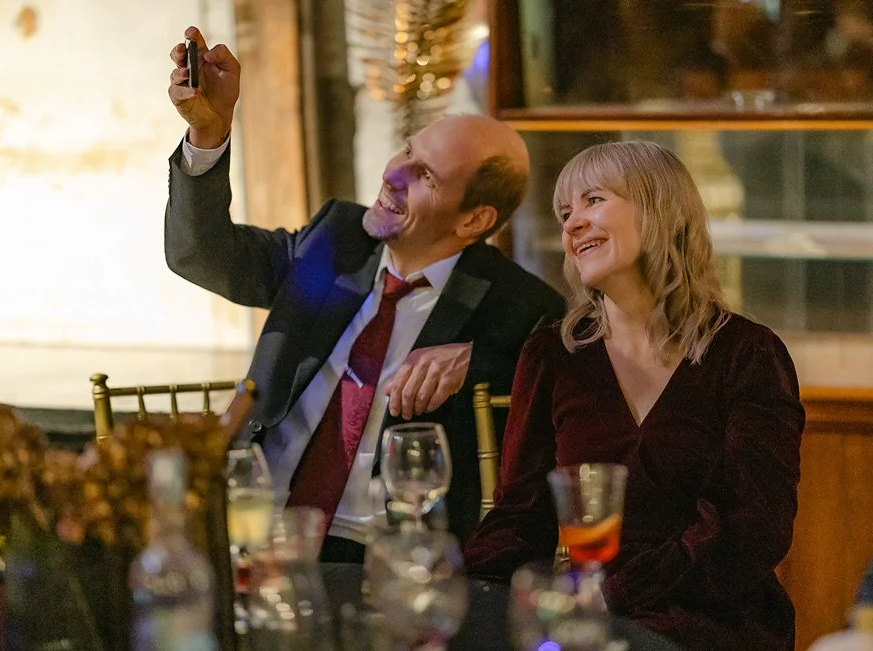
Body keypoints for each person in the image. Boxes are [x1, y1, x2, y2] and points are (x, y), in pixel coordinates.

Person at [165, 27, 565, 563]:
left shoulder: (517, 305)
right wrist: (208, 137)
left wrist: (480, 360)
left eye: (424, 174)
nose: (392, 173)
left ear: (475, 219)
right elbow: (200, 254)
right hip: (254, 523)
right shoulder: (336, 240)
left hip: (386, 554)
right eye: (406, 150)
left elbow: (567, 371)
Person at [463, 140, 805, 650]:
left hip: (717, 621)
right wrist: (456, 592)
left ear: (658, 208)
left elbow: (752, 528)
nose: (572, 224)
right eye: (564, 212)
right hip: (593, 624)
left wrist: (615, 596)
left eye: (593, 200)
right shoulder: (554, 353)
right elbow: (523, 513)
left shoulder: (747, 353)